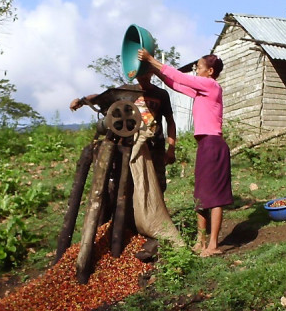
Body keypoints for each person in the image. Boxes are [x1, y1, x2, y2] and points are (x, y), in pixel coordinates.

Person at [137, 48, 232, 257]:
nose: (196, 70)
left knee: (214, 197)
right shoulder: (201, 91)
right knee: (201, 195)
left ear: (210, 71)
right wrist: (155, 69)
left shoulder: (211, 85)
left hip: (214, 144)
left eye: (198, 67)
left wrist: (152, 60)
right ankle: (201, 241)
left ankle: (213, 245)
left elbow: (179, 77)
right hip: (205, 145)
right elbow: (175, 84)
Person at [69, 72, 177, 191]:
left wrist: (171, 148)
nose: (143, 76)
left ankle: (155, 209)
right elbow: (100, 97)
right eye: (140, 74)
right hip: (129, 146)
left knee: (157, 184)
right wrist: (81, 101)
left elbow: (170, 122)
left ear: (151, 73)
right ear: (135, 74)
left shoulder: (161, 94)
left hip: (154, 146)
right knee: (126, 183)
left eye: (145, 73)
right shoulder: (125, 91)